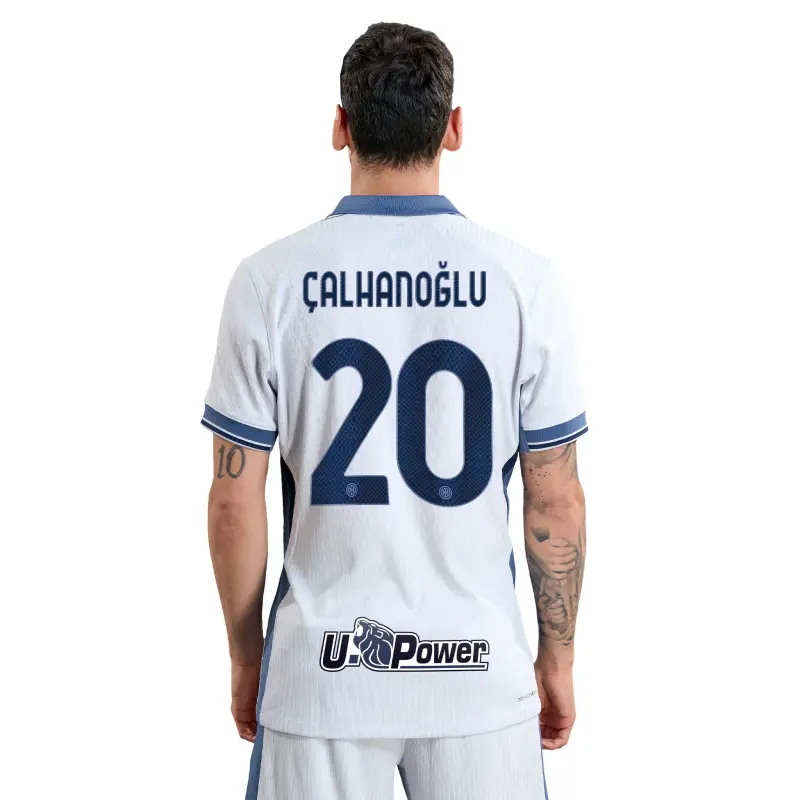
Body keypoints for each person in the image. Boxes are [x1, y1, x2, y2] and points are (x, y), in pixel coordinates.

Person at [203, 21, 588, 800]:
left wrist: (247, 658)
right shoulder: (527, 283)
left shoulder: (268, 282)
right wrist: (558, 659)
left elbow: (233, 501)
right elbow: (556, 500)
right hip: (480, 679)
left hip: (323, 675)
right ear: (454, 128)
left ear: (340, 126)